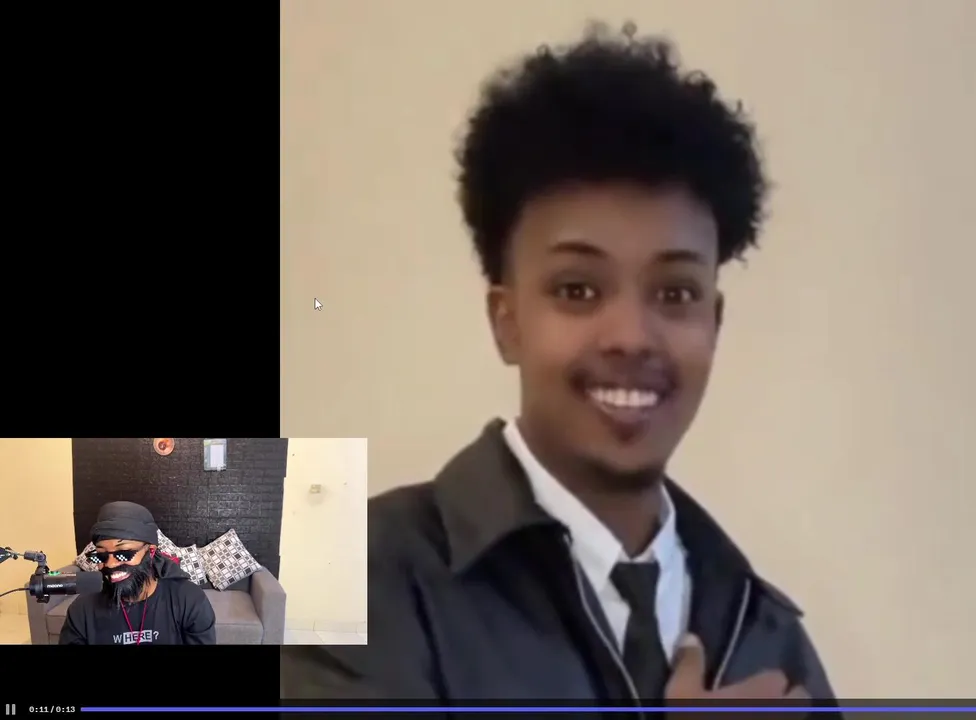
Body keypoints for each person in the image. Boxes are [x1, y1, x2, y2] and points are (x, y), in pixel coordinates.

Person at [281, 23, 835, 705]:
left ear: (714, 325)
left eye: (675, 293)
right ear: (506, 320)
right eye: (578, 290)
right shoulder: (338, 572)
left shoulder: (768, 636)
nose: (631, 336)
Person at [59, 501, 216, 646]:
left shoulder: (189, 600)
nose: (110, 564)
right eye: (101, 555)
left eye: (124, 553)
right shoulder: (82, 610)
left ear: (151, 552)